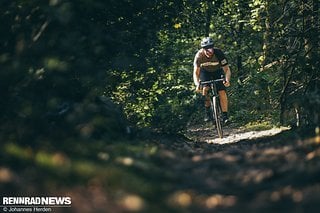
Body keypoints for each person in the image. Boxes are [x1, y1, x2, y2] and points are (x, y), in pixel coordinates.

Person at [193, 37, 231, 123]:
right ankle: (207, 112)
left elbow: (227, 69)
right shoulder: (199, 56)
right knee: (205, 89)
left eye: (211, 48)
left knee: (222, 91)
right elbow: (196, 73)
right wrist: (197, 84)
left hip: (217, 71)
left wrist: (227, 79)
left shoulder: (218, 53)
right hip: (205, 72)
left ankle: (225, 115)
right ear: (203, 49)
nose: (209, 51)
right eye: (206, 49)